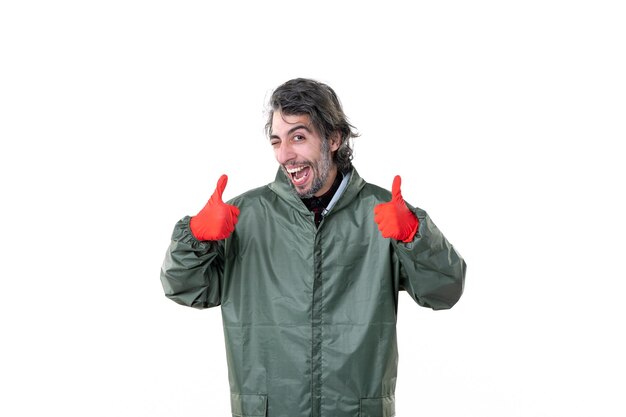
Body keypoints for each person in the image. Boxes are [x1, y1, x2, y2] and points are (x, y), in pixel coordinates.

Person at [160, 78, 466, 417]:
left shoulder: (383, 215)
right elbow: (183, 288)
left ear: (334, 139)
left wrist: (415, 238)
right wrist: (196, 238)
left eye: (299, 137)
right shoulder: (241, 217)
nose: (285, 154)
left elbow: (445, 291)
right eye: (277, 140)